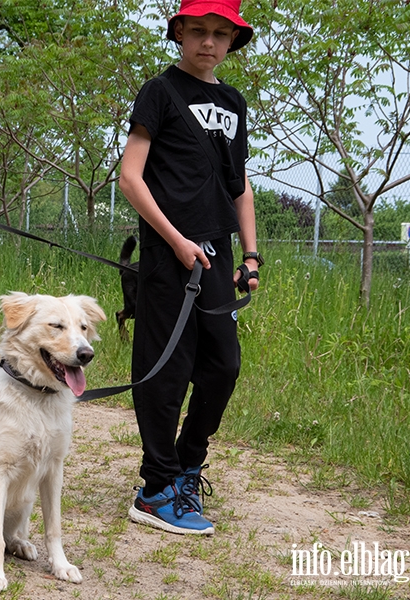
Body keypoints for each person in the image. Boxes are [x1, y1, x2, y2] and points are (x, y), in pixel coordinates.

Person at [118, 0, 261, 536]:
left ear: (231, 41)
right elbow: (131, 177)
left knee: (223, 365)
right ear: (180, 32)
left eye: (220, 33)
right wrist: (176, 241)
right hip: (168, 249)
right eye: (198, 30)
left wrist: (248, 255)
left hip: (218, 253)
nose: (209, 42)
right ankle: (156, 489)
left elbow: (239, 184)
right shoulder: (160, 91)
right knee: (167, 367)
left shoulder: (233, 102)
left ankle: (187, 466)